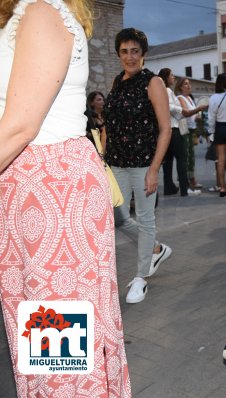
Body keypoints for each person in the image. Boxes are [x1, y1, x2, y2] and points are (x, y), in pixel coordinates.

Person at [0, 1, 131, 395]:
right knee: (42, 341)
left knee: (56, 351)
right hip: (34, 187)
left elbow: (21, 125)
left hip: (51, 192)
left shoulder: (41, 11)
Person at [105, 28, 173, 304]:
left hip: (144, 163)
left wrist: (154, 169)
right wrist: (102, 156)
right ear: (119, 54)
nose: (130, 56)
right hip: (116, 164)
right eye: (124, 51)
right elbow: (110, 123)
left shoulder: (153, 82)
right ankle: (155, 249)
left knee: (146, 220)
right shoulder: (116, 82)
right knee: (117, 217)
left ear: (143, 53)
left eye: (135, 51)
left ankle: (141, 277)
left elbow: (166, 128)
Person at [158, 68, 201, 196]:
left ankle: (169, 187)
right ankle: (184, 189)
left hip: (165, 130)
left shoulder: (161, 91)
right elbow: (170, 107)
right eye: (171, 76)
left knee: (168, 161)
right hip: (175, 129)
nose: (173, 78)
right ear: (166, 77)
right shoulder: (167, 90)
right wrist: (182, 110)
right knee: (182, 160)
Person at [175, 77, 207, 190]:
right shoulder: (180, 98)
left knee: (191, 157)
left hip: (191, 130)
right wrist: (198, 109)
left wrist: (198, 116)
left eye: (189, 84)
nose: (189, 86)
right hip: (185, 131)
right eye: (185, 84)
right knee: (187, 157)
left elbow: (192, 114)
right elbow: (186, 112)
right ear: (180, 87)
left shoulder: (189, 98)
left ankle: (189, 179)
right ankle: (187, 180)